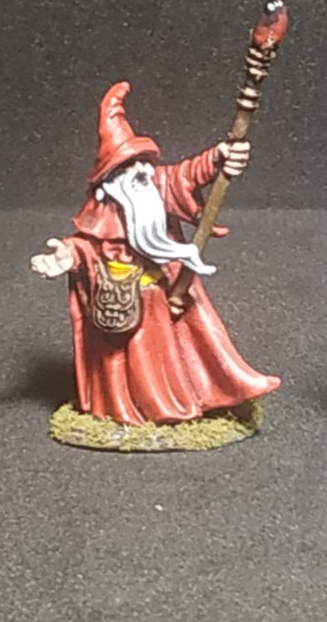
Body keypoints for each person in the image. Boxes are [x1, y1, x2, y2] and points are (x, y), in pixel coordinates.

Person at [30, 81, 279, 426]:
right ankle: (133, 409)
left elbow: (187, 174)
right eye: (128, 167)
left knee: (177, 349)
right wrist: (67, 256)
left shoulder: (156, 186)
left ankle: (192, 397)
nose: (140, 172)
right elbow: (86, 246)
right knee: (129, 359)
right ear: (109, 180)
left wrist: (220, 156)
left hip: (160, 293)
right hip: (120, 302)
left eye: (142, 163)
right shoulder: (102, 212)